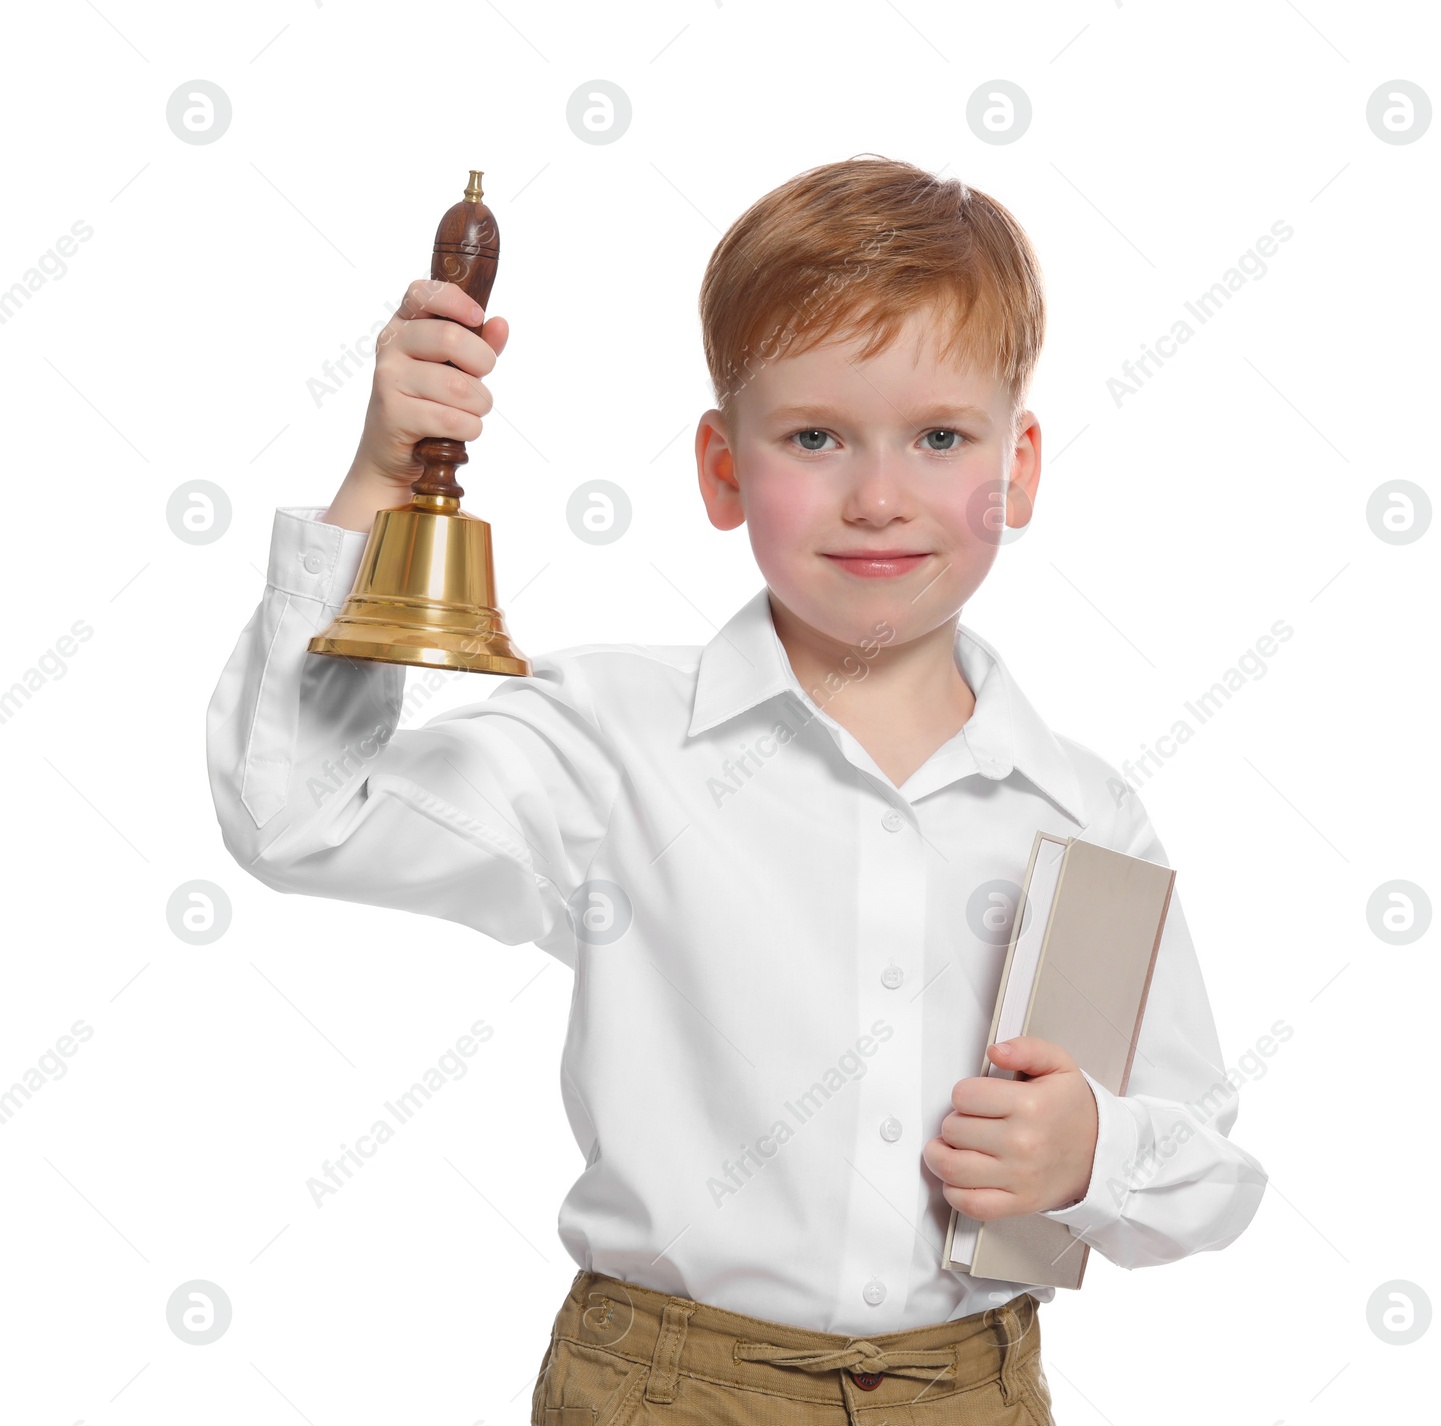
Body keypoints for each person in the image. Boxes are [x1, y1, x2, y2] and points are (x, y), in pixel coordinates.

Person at [207, 155, 1266, 1426]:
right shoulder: (612, 740)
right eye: (814, 437)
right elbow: (301, 814)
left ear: (1018, 465)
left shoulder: (1080, 811)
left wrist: (1095, 1150)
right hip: (664, 1391)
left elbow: (1209, 1165)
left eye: (939, 437)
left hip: (972, 1390)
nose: (878, 495)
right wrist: (386, 475)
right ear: (721, 468)